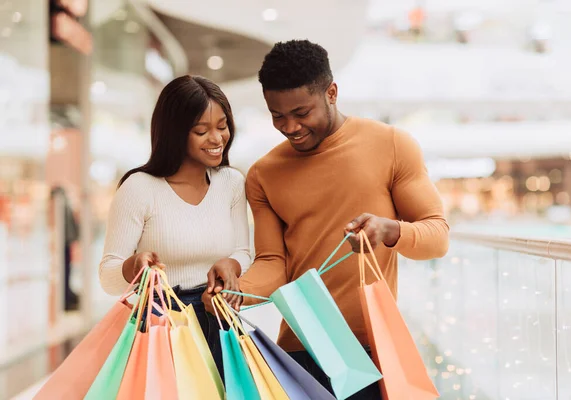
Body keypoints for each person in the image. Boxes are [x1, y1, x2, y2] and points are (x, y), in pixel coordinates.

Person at [205, 39, 450, 399]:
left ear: (331, 92)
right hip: (297, 352)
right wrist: (236, 291)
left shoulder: (392, 145)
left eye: (302, 112)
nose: (290, 127)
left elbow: (437, 236)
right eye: (277, 115)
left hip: (371, 350)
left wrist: (389, 230)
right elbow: (274, 263)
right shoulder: (263, 174)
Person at [99, 75, 251, 378]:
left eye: (222, 126)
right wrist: (134, 267)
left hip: (220, 320)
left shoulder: (232, 183)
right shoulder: (139, 188)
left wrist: (231, 265)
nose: (218, 138)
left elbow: (244, 252)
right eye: (201, 130)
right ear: (174, 133)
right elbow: (108, 276)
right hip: (161, 326)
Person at [50, 186, 80, 311]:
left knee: (67, 271)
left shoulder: (64, 206)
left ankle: (67, 298)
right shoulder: (61, 207)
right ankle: (65, 300)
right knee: (63, 272)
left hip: (65, 244)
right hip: (62, 244)